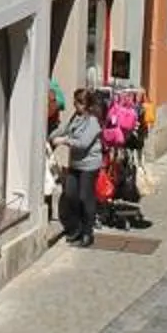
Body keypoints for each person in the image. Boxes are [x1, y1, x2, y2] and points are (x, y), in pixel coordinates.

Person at [59, 87, 106, 245]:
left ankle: (87, 232)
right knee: (70, 194)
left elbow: (83, 144)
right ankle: (76, 228)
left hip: (89, 165)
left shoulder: (92, 122)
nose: (75, 105)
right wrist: (50, 136)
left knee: (85, 197)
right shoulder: (75, 117)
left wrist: (64, 141)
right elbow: (64, 130)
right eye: (75, 101)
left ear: (86, 105)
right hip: (75, 163)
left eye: (79, 102)